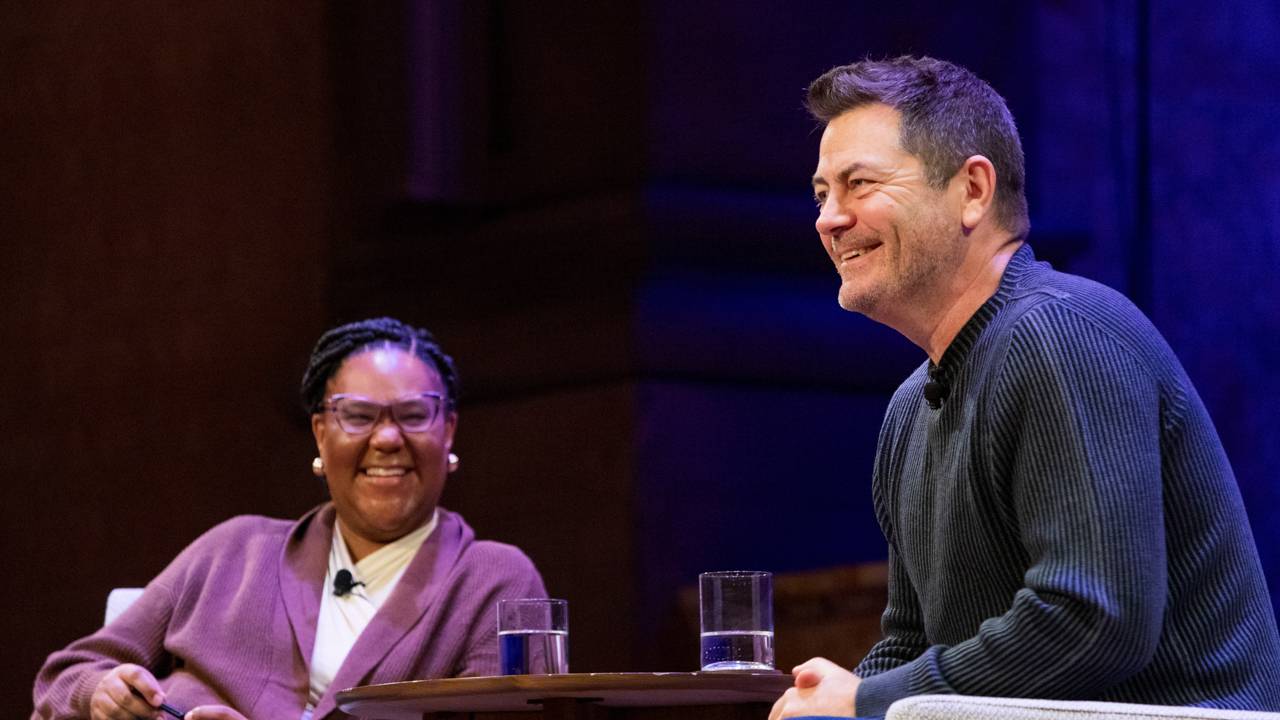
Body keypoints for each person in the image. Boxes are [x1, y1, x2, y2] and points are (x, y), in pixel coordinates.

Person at [770, 56, 1280, 720]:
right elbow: (910, 645)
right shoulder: (909, 408)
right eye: (820, 194)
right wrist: (828, 706)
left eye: (858, 184)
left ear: (973, 190)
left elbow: (1095, 619)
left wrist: (867, 701)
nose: (828, 219)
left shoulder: (1061, 335)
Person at [33, 317, 548, 720]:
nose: (387, 438)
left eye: (414, 414)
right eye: (359, 415)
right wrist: (100, 694)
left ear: (448, 432)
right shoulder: (233, 549)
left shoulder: (494, 580)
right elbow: (65, 676)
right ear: (322, 434)